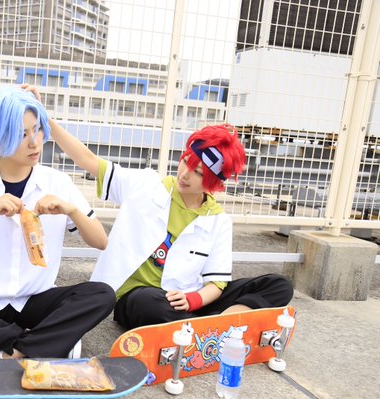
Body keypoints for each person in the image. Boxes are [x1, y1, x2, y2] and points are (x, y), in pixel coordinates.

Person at [24, 86, 293, 329]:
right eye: (186, 161)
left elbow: (217, 283)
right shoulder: (146, 185)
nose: (185, 174)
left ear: (214, 183)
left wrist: (194, 300)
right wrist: (45, 119)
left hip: (189, 299)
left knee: (279, 285)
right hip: (140, 298)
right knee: (148, 303)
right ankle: (215, 329)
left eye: (199, 173)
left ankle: (214, 326)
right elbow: (88, 160)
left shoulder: (218, 220)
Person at [0, 86, 116, 359]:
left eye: (37, 130)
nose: (34, 142)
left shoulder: (57, 182)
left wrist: (72, 210)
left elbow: (101, 241)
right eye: (21, 134)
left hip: (34, 299)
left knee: (102, 294)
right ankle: (46, 344)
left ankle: (5, 350)